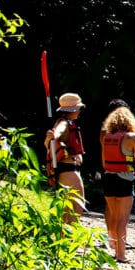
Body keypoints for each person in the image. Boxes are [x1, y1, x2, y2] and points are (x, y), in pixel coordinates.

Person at [100, 105, 135, 263]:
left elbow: (104, 162)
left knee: (114, 216)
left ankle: (114, 248)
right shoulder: (131, 137)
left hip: (108, 178)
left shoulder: (106, 137)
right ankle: (121, 255)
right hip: (124, 179)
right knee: (122, 219)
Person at [44, 92, 87, 222]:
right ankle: (69, 237)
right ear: (73, 110)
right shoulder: (63, 123)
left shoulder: (67, 122)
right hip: (68, 170)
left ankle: (66, 237)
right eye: (79, 108)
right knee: (77, 205)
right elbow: (58, 132)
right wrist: (53, 136)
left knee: (71, 206)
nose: (80, 111)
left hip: (69, 169)